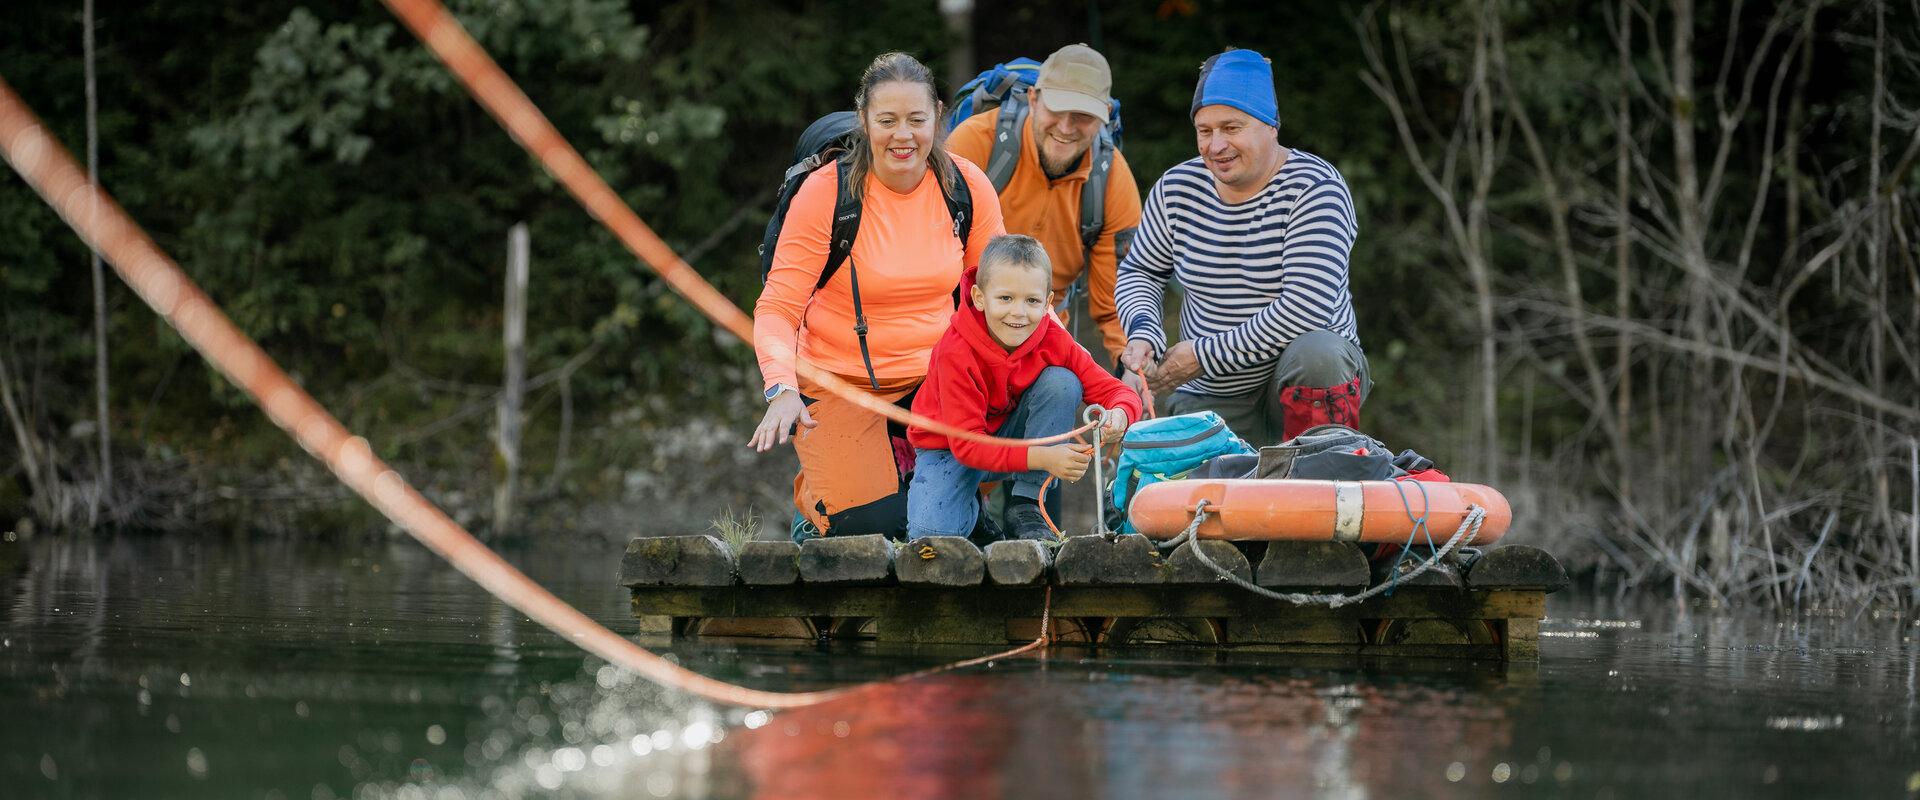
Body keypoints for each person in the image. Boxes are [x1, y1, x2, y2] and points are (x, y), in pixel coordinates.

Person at [750, 52, 1007, 539]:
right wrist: (781, 386)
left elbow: (1004, 294)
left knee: (1048, 382)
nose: (903, 136)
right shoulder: (828, 194)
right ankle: (819, 508)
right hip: (840, 382)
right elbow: (778, 307)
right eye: (887, 120)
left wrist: (1093, 378)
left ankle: (967, 502)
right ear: (864, 120)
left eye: (917, 119)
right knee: (875, 530)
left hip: (939, 382)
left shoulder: (966, 186)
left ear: (938, 117)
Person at [1116, 48, 1368, 446]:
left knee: (1318, 353)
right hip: (1211, 390)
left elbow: (1308, 306)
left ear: (1270, 126)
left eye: (1232, 127)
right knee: (1208, 497)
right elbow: (1141, 271)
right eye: (1204, 130)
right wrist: (1145, 333)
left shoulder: (1315, 189)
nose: (1216, 146)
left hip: (1303, 379)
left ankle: (1320, 475)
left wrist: (1202, 354)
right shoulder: (1177, 188)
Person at [905, 235, 1140, 541]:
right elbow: (968, 447)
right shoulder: (955, 351)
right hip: (949, 448)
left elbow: (1117, 392)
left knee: (1062, 381)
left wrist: (1119, 416)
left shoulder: (1053, 338)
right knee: (930, 536)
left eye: (1031, 301)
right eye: (1005, 298)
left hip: (1008, 436)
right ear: (979, 297)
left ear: (1047, 302)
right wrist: (1044, 457)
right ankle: (970, 514)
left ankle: (1028, 504)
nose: (1018, 312)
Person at [946, 44, 1143, 376]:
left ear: (1104, 116)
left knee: (1063, 385)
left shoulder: (1112, 180)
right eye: (1057, 109)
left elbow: (1116, 305)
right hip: (957, 323)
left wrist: (1131, 371)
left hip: (1040, 336)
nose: (1066, 127)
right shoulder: (976, 141)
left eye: (1082, 115)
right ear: (1034, 99)